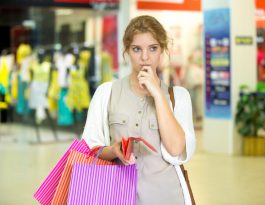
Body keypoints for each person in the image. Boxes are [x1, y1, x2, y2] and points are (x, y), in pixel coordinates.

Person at [81, 15, 196, 205]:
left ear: (162, 51)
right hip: (116, 195)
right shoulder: (106, 93)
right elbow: (89, 149)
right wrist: (113, 151)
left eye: (153, 48)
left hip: (166, 196)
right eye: (137, 49)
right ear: (127, 51)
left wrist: (158, 95)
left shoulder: (179, 97)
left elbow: (176, 149)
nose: (145, 58)